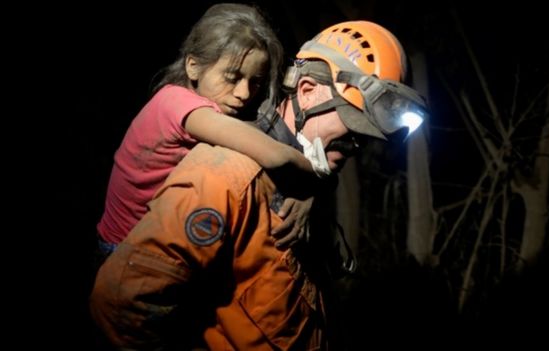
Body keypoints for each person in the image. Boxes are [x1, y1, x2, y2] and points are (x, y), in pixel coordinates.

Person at [90, 20, 427, 350]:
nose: (356, 146)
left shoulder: (312, 184)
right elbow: (120, 305)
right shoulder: (224, 175)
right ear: (307, 92)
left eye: (366, 138)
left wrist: (314, 187)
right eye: (353, 128)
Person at [96, 3, 316, 258]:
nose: (244, 93)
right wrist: (316, 181)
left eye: (254, 82)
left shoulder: (186, 100)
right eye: (232, 77)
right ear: (193, 66)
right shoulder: (181, 106)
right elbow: (274, 155)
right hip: (124, 252)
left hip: (146, 239)